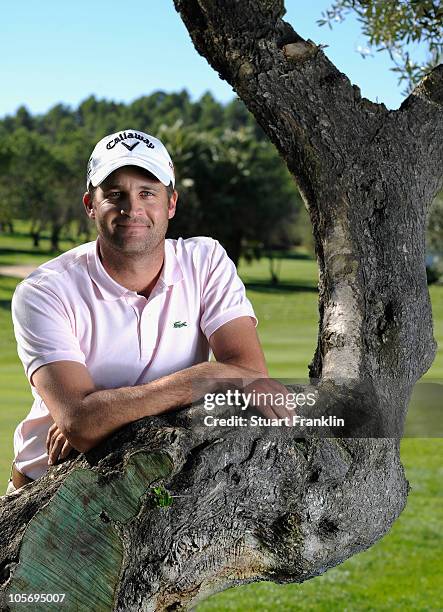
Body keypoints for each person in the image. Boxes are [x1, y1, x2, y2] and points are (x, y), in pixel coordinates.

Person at [5, 128, 279, 495]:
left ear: (171, 204)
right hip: (48, 493)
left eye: (147, 193)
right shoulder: (43, 291)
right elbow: (81, 425)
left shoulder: (206, 260)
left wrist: (105, 417)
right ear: (90, 205)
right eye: (115, 194)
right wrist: (207, 376)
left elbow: (250, 378)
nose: (131, 208)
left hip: (153, 485)